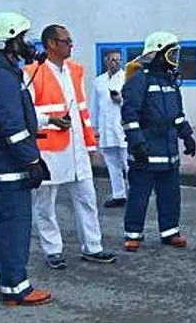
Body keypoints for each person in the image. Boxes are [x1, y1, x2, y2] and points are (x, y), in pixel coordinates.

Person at [0, 12, 52, 306]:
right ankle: (16, 288)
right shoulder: (4, 78)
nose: (27, 44)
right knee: (14, 226)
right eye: (22, 38)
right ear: (8, 41)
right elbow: (14, 127)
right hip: (9, 166)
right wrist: (32, 161)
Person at [24, 24, 116, 269]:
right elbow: (26, 112)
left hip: (77, 148)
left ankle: (93, 247)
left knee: (87, 199)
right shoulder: (32, 72)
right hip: (48, 150)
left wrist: (90, 144)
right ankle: (53, 250)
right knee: (45, 205)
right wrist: (50, 120)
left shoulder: (74, 71)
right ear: (51, 44)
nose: (71, 45)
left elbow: (82, 111)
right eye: (67, 41)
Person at [121, 31, 196, 251]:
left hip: (169, 153)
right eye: (172, 54)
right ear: (158, 54)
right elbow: (129, 115)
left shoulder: (171, 83)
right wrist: (137, 143)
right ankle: (133, 234)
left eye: (177, 54)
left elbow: (177, 114)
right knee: (139, 196)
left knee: (170, 195)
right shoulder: (139, 80)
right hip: (145, 152)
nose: (175, 59)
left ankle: (170, 232)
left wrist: (187, 135)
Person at [90, 50, 129, 208]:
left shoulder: (127, 78)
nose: (116, 62)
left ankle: (135, 195)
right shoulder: (99, 81)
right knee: (112, 164)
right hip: (105, 128)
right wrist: (94, 128)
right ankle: (119, 195)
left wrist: (121, 100)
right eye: (113, 59)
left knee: (128, 163)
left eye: (119, 60)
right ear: (106, 61)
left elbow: (135, 102)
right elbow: (95, 106)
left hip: (122, 128)